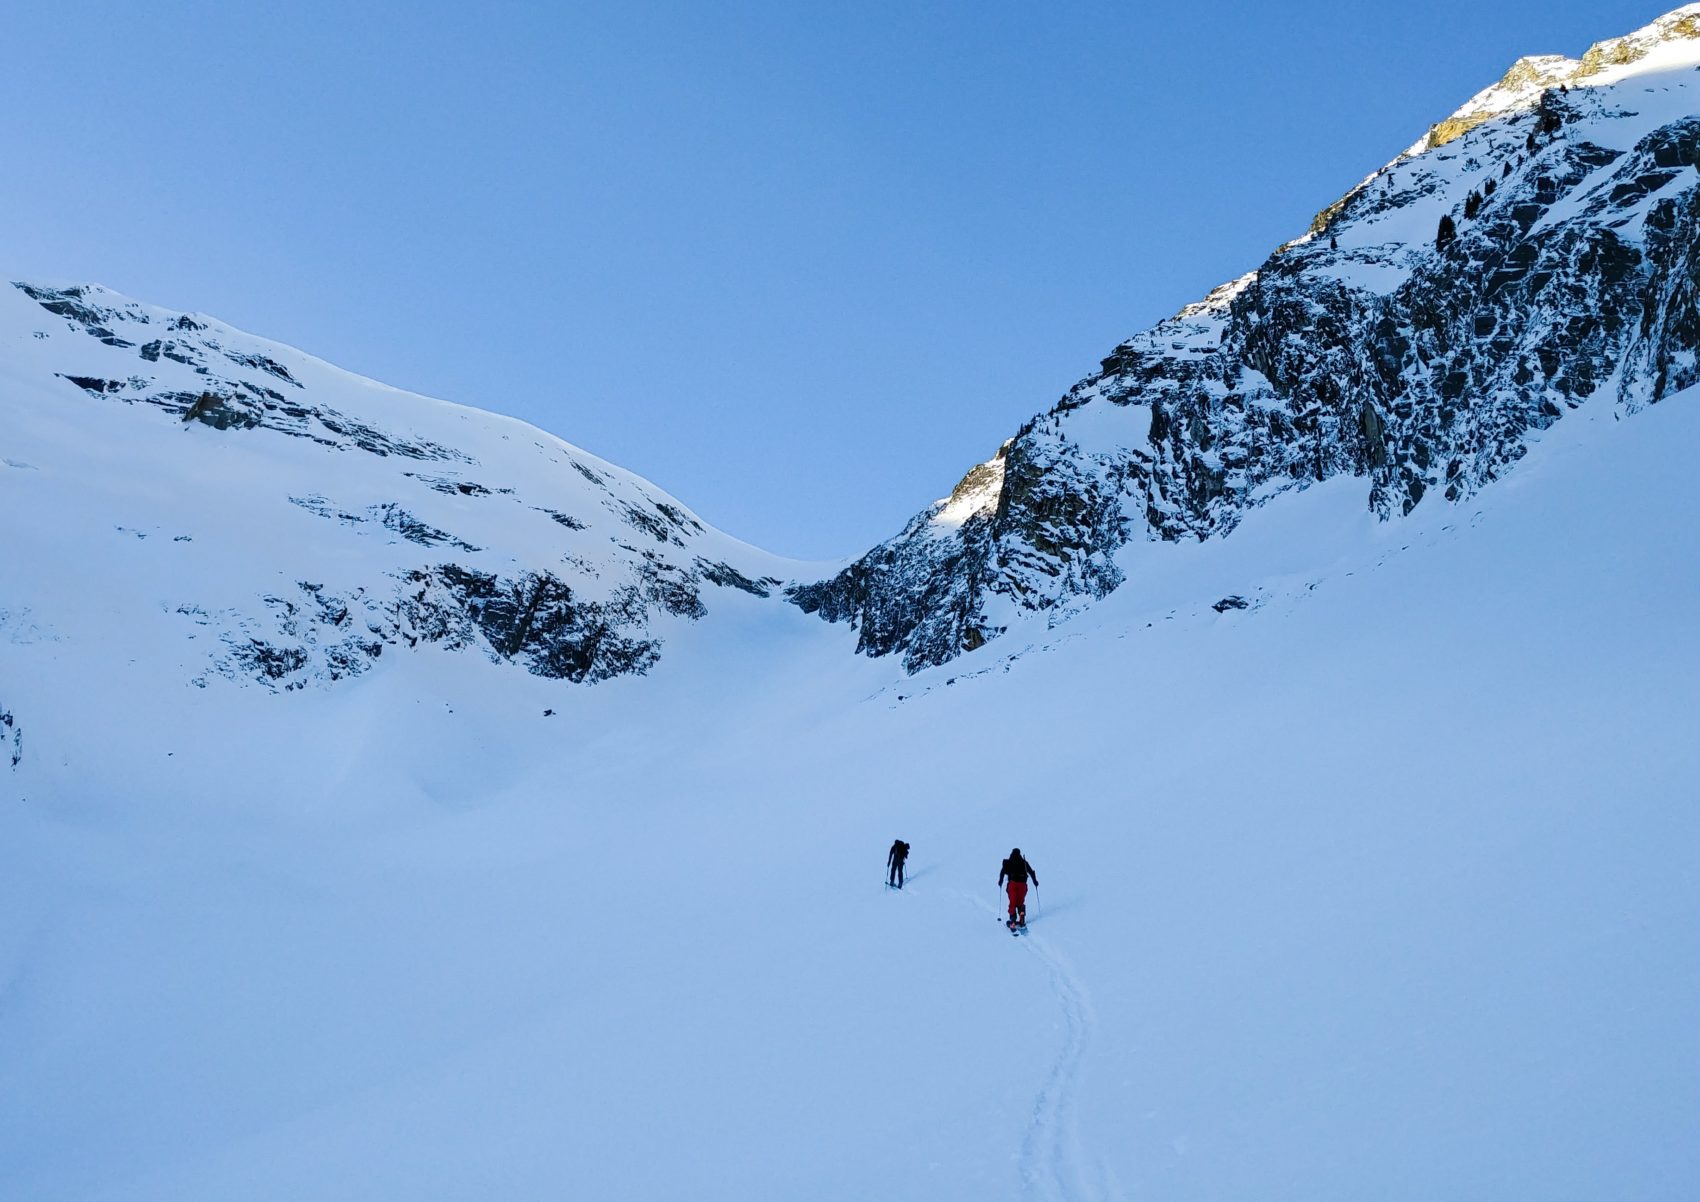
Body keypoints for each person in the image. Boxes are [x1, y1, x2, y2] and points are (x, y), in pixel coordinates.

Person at [998, 847, 1037, 928]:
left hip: (1012, 884)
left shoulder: (1008, 862)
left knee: (1013, 902)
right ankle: (1022, 916)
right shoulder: (1024, 862)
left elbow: (1002, 872)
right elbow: (1031, 872)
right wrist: (1035, 882)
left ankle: (1012, 920)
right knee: (1020, 902)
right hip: (1023, 885)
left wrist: (1000, 881)